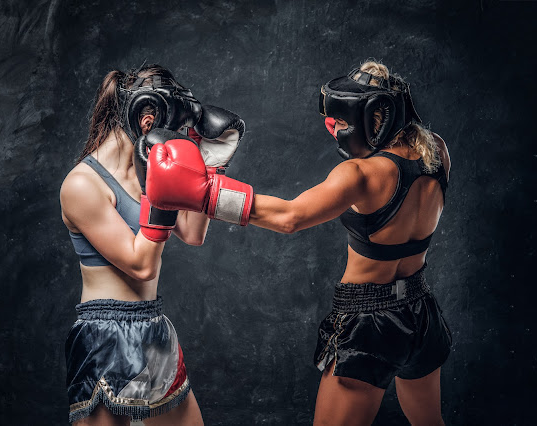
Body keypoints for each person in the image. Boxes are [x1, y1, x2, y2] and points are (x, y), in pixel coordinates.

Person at [141, 60, 452, 426]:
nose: (335, 129)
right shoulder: (437, 153)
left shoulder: (360, 174)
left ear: (373, 116)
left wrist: (206, 194)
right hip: (421, 312)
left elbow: (290, 217)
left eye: (343, 119)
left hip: (370, 322)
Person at [60, 64, 246, 425]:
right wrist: (158, 191)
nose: (174, 135)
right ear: (147, 119)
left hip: (153, 325)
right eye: (172, 126)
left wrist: (210, 163)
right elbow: (141, 263)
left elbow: (193, 233)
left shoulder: (150, 168)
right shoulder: (82, 185)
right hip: (105, 335)